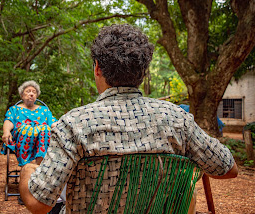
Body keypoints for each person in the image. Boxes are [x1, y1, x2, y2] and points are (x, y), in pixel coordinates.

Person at [19, 24, 238, 214]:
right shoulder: (177, 119)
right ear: (143, 72)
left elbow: (39, 205)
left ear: (97, 68)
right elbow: (229, 168)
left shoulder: (73, 124)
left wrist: (26, 171)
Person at [1, 80, 57, 166]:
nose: (31, 94)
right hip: (22, 136)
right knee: (26, 129)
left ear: (36, 96)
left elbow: (53, 123)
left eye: (34, 92)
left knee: (46, 129)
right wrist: (6, 131)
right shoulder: (15, 109)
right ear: (22, 95)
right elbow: (9, 121)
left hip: (41, 138)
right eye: (28, 91)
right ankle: (26, 165)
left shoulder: (44, 110)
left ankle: (38, 165)